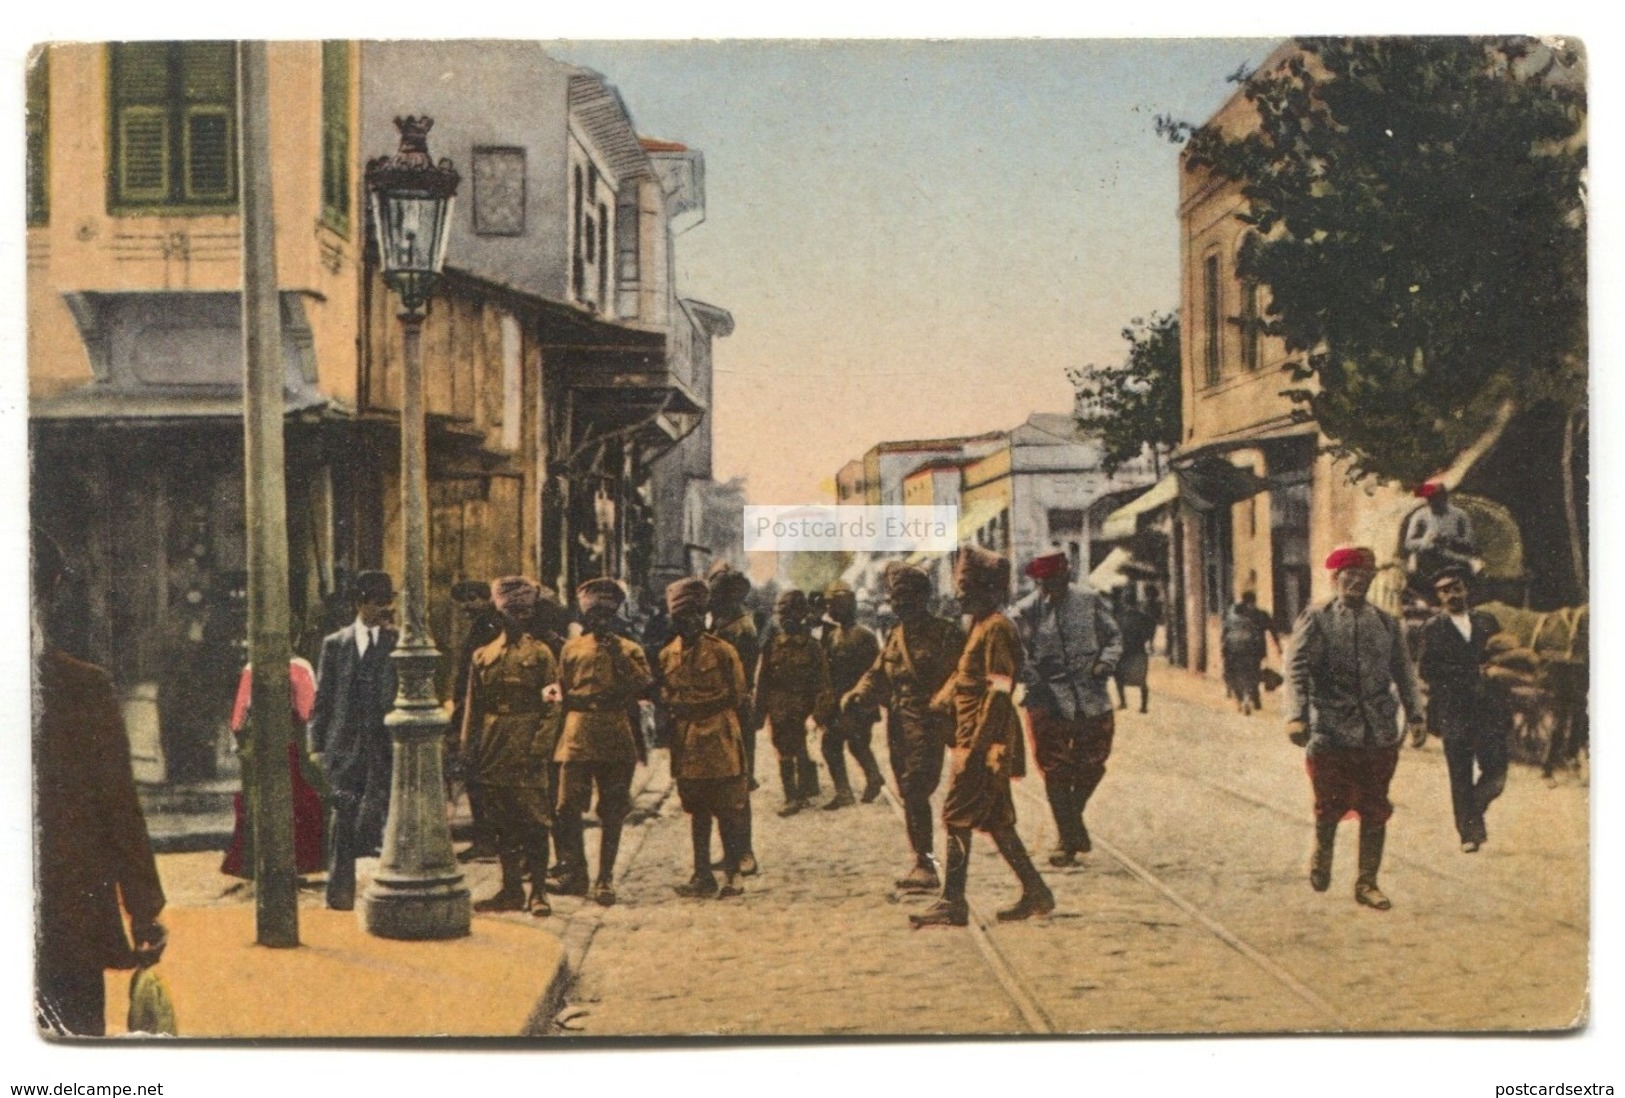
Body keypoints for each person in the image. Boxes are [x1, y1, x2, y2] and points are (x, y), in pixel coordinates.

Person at [34, 531, 167, 1036]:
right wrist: (145, 911)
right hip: (70, 921)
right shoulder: (82, 687)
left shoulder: (84, 686)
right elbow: (118, 808)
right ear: (54, 590)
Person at [911, 547, 1054, 927]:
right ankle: (1036, 892)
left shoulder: (997, 629)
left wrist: (975, 748)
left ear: (989, 590)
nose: (959, 594)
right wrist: (938, 704)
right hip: (970, 734)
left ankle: (952, 901)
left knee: (956, 815)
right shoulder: (978, 625)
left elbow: (999, 691)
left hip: (985, 741)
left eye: (968, 587)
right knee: (997, 820)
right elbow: (964, 677)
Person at [1286, 546, 1427, 911]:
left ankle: (1367, 882)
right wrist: (1296, 715)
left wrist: (1415, 716)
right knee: (1328, 801)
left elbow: (1404, 673)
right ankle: (1323, 851)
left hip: (1378, 730)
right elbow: (1297, 669)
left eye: (1363, 579)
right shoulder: (1317, 618)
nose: (1355, 584)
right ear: (1335, 580)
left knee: (1376, 805)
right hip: (1330, 728)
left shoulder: (1385, 622)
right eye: (1348, 578)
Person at [844, 564, 963, 892]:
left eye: (908, 597)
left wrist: (943, 702)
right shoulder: (896, 636)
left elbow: (965, 675)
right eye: (896, 598)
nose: (900, 604)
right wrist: (858, 694)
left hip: (929, 723)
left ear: (924, 597)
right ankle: (921, 862)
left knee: (915, 789)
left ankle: (926, 865)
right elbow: (878, 673)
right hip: (899, 723)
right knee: (908, 790)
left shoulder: (946, 633)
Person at [1011, 549, 1122, 868]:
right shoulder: (1025, 611)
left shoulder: (1089, 601)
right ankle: (1066, 838)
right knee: (1056, 768)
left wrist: (1105, 663)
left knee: (1094, 761)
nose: (1050, 588)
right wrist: (1033, 676)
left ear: (1067, 576)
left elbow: (1114, 638)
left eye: (1056, 581)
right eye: (1044, 583)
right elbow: (1018, 654)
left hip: (1091, 693)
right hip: (1046, 698)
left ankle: (1072, 822)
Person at [551, 578, 654, 907]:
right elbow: (558, 688)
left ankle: (605, 878)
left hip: (614, 730)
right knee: (567, 806)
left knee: (612, 809)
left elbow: (645, 684)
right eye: (593, 615)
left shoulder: (629, 649)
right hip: (577, 731)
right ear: (584, 617)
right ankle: (576, 872)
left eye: (606, 616)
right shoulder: (570, 649)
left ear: (615, 617)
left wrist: (617, 656)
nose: (599, 622)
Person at [461, 577, 561, 916]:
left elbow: (553, 702)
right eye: (512, 612)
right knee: (501, 820)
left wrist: (542, 745)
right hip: (494, 744)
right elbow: (474, 707)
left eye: (525, 611)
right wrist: (468, 747)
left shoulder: (542, 654)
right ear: (500, 615)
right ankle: (511, 889)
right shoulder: (483, 656)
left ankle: (539, 893)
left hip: (528, 740)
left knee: (534, 821)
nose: (520, 618)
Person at [308, 570, 399, 911]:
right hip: (345, 746)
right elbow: (323, 698)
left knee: (388, 816)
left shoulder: (397, 641)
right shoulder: (335, 645)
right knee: (343, 815)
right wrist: (316, 745)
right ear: (360, 603)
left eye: (388, 603)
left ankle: (389, 893)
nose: (385, 610)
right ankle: (340, 893)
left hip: (385, 745)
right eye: (378, 603)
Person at [660, 577, 751, 899]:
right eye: (681, 618)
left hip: (719, 735)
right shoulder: (667, 655)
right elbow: (666, 695)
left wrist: (698, 706)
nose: (688, 623)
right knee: (696, 810)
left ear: (703, 616)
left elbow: (737, 695)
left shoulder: (723, 651)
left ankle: (733, 874)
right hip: (686, 741)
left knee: (726, 808)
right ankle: (702, 875)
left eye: (694, 617)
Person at [1416, 568, 1509, 853]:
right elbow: (1427, 669)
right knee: (1460, 773)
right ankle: (1468, 833)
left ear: (1465, 589)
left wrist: (1497, 669)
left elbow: (1501, 653)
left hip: (1488, 710)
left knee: (1496, 772)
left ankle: (1474, 809)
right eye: (1444, 591)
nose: (1451, 594)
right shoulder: (1433, 628)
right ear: (1438, 596)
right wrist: (1470, 672)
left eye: (1456, 588)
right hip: (1453, 710)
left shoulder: (1486, 621)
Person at [220, 654, 327, 880]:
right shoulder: (300, 667)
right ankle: (297, 862)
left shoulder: (253, 667)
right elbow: (308, 710)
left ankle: (256, 863)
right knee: (297, 798)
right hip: (290, 742)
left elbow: (239, 717)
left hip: (261, 744)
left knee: (259, 799)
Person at [755, 589, 835, 817]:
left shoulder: (813, 647)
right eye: (781, 613)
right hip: (779, 709)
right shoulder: (772, 645)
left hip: (804, 709)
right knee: (783, 751)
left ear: (801, 615)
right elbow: (762, 682)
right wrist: (759, 714)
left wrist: (818, 714)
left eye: (790, 613)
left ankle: (802, 792)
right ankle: (791, 796)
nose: (785, 618)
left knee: (802, 750)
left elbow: (823, 683)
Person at [706, 561, 761, 874]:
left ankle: (744, 853)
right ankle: (731, 850)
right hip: (722, 710)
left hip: (736, 710)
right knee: (721, 783)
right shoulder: (722, 624)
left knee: (738, 784)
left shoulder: (740, 628)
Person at [447, 579, 504, 864]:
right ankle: (485, 839)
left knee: (483, 778)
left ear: (487, 599)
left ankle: (489, 840)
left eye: (472, 599)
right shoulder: (480, 625)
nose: (467, 606)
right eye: (463, 602)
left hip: (486, 715)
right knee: (475, 778)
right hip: (471, 711)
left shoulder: (492, 626)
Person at [818, 580, 886, 809]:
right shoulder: (833, 635)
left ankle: (849, 790)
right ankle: (871, 779)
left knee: (837, 743)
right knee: (850, 744)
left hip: (859, 702)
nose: (830, 610)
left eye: (834, 606)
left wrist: (864, 698)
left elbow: (874, 671)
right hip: (839, 702)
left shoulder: (864, 636)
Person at [1403, 482, 1477, 588]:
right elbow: (1409, 543)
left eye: (1436, 498)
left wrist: (1451, 539)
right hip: (1427, 559)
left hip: (1454, 558)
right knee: (1412, 573)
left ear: (1445, 497)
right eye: (1430, 499)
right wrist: (1426, 540)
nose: (1432, 502)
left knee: (1475, 569)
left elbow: (1470, 542)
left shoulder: (1460, 515)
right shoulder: (1420, 516)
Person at [1221, 590, 1279, 715]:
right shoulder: (1261, 614)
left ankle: (1242, 699)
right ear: (1254, 601)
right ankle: (1249, 698)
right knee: (1252, 674)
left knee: (1237, 675)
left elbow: (1224, 634)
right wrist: (1278, 647)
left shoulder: (1232, 614)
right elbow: (1273, 629)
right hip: (1253, 649)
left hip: (1234, 649)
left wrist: (1223, 650)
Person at [1113, 588, 1155, 714]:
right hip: (1138, 650)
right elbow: (1152, 626)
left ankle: (1123, 702)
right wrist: (1149, 641)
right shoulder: (1143, 617)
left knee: (1119, 678)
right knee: (1142, 680)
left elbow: (1115, 633)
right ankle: (1143, 707)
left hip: (1124, 652)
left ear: (1124, 602)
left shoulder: (1120, 617)